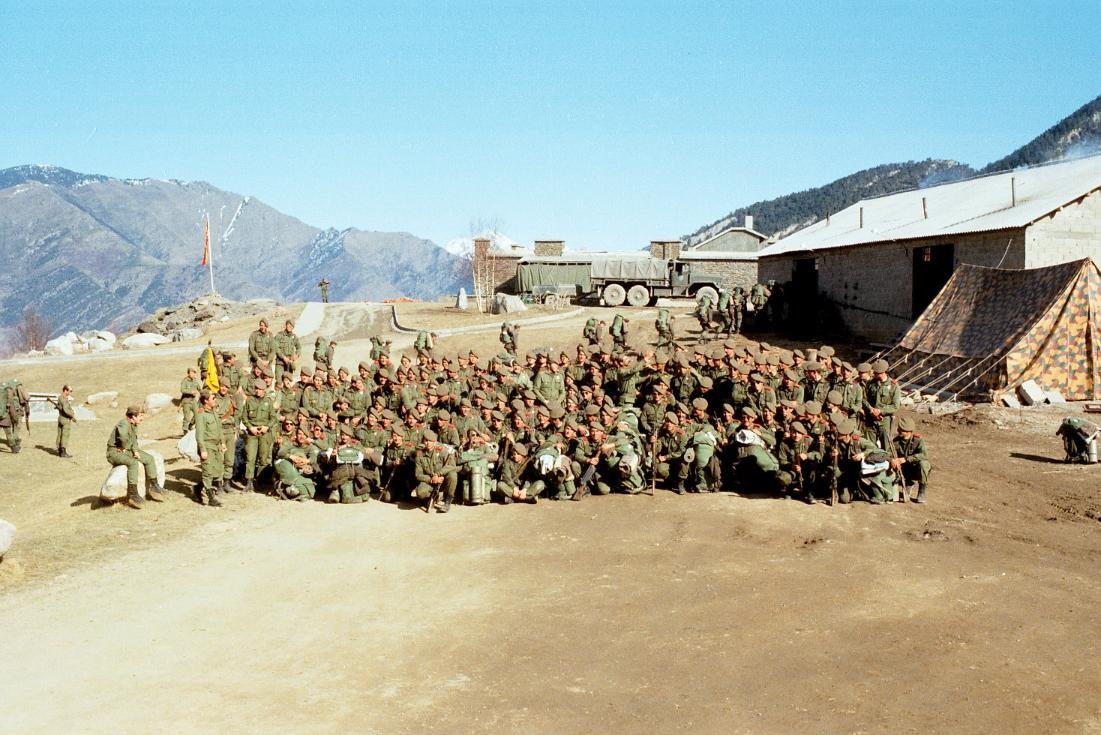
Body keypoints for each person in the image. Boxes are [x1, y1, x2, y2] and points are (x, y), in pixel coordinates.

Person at [106, 405, 165, 509]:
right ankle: (133, 495)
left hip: (127, 450)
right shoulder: (123, 423)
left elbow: (133, 440)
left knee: (149, 459)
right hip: (115, 453)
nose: (142, 418)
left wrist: (135, 450)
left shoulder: (133, 425)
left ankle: (154, 487)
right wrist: (124, 446)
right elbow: (123, 436)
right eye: (140, 416)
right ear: (133, 416)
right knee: (133, 463)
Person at [241, 379, 278, 492]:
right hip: (252, 433)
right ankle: (249, 482)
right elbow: (244, 417)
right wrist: (250, 427)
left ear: (264, 390)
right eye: (256, 388)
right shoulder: (249, 401)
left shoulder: (269, 402)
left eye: (260, 389)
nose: (257, 391)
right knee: (250, 458)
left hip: (264, 433)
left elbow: (273, 418)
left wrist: (267, 427)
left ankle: (259, 481)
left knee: (263, 459)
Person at [193, 390, 225, 507]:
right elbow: (199, 435)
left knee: (217, 471)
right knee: (208, 471)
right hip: (207, 446)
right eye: (213, 398)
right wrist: (202, 450)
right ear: (206, 401)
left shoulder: (213, 412)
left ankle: (198, 488)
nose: (215, 400)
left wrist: (222, 442)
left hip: (216, 446)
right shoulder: (201, 415)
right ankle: (211, 498)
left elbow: (219, 429)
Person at [890, 415, 931, 503]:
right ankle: (908, 483)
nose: (898, 430)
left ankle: (921, 491)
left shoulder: (918, 440)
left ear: (908, 431)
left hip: (916, 468)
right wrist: (893, 460)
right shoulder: (896, 441)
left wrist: (907, 459)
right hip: (904, 469)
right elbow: (890, 452)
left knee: (924, 464)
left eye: (900, 430)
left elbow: (924, 455)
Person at [55, 384, 77, 458]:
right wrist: (72, 415)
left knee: (60, 434)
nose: (70, 393)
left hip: (60, 418)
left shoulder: (60, 397)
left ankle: (59, 450)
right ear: (65, 390)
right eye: (69, 391)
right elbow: (66, 409)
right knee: (65, 435)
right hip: (65, 419)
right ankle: (63, 453)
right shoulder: (64, 399)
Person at [179, 367, 201, 435]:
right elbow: (182, 390)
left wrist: (205, 393)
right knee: (187, 417)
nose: (193, 374)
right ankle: (185, 431)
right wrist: (191, 392)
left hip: (193, 401)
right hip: (186, 401)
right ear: (188, 374)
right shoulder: (185, 381)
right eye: (191, 373)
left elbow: (199, 389)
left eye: (194, 373)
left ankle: (191, 424)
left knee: (198, 414)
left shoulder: (195, 381)